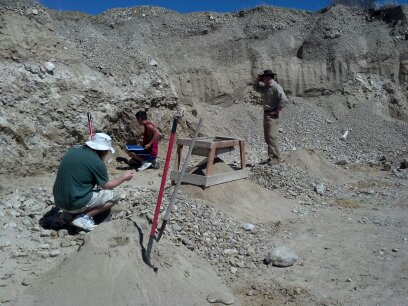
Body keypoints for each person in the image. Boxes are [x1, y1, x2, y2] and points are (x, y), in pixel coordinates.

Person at [53, 133, 134, 231]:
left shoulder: (73, 150)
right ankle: (84, 217)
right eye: (107, 150)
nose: (107, 153)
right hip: (74, 202)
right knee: (115, 196)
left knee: (82, 189)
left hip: (58, 200)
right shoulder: (97, 162)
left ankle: (67, 215)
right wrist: (124, 177)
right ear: (103, 150)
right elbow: (106, 185)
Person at [253, 69, 288, 165]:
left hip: (273, 116)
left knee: (272, 137)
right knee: (268, 137)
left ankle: (276, 159)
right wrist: (257, 78)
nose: (262, 80)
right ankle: (271, 157)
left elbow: (284, 100)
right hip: (266, 114)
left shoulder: (276, 87)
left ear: (268, 77)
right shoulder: (266, 87)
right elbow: (255, 87)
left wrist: (277, 110)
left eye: (263, 78)